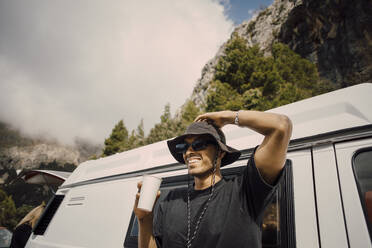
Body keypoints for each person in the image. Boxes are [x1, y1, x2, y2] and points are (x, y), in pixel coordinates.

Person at [133, 110, 292, 248]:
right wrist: (144, 219)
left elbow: (281, 126)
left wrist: (228, 117)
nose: (189, 152)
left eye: (199, 144)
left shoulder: (244, 192)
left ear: (220, 152)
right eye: (184, 147)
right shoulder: (170, 201)